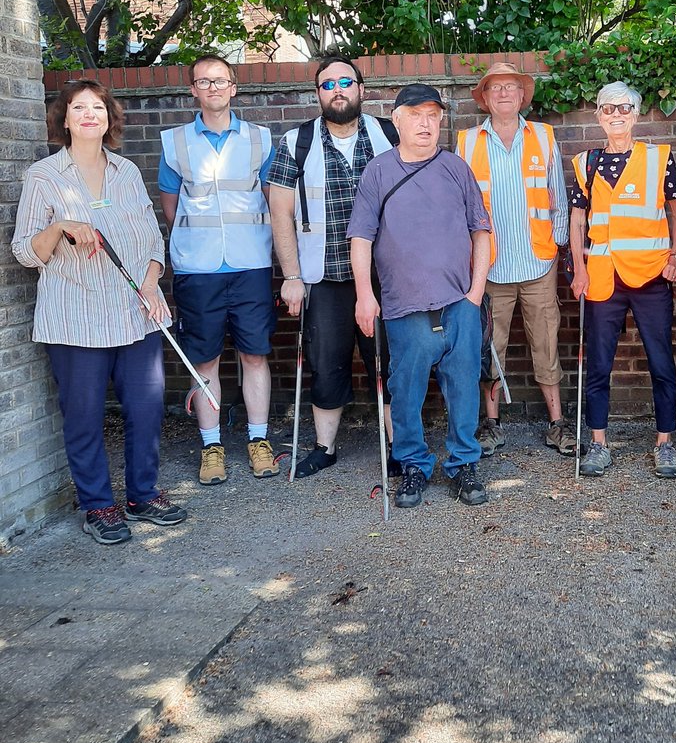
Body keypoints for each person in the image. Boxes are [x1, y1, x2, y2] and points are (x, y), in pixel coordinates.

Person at [13, 80, 186, 544]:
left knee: (147, 410)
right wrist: (61, 225)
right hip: (75, 318)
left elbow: (152, 237)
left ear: (109, 118)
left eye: (98, 107)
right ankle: (97, 506)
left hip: (137, 311)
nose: (90, 114)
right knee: (85, 416)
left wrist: (151, 284)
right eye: (79, 107)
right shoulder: (44, 176)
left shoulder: (127, 171)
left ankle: (142, 495)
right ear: (64, 118)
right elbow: (25, 252)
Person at [348, 84, 492, 508]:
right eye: (415, 114)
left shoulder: (456, 168)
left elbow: (480, 231)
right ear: (397, 121)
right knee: (405, 390)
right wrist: (363, 294)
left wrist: (475, 293)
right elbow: (361, 237)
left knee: (464, 386)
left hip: (458, 303)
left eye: (433, 115)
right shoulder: (378, 171)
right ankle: (412, 464)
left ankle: (464, 463)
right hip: (403, 305)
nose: (426, 123)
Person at [267, 54, 397, 477]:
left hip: (386, 274)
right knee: (325, 363)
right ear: (318, 94)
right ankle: (325, 447)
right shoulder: (295, 143)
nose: (337, 90)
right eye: (328, 84)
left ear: (361, 88)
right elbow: (280, 211)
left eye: (345, 81)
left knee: (391, 361)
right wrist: (291, 277)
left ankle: (399, 447)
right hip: (323, 275)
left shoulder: (389, 134)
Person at [159, 55, 277, 485]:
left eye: (220, 80)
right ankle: (211, 447)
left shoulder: (260, 139)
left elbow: (271, 199)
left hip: (251, 262)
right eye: (203, 81)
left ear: (234, 86)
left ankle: (259, 440)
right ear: (192, 89)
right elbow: (172, 208)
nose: (212, 88)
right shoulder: (174, 142)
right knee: (204, 360)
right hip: (198, 267)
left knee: (254, 355)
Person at [568, 81, 676, 479]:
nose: (616, 115)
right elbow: (578, 218)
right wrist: (579, 269)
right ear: (598, 116)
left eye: (624, 108)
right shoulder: (586, 162)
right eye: (608, 109)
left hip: (652, 275)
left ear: (636, 114)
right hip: (603, 277)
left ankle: (665, 443)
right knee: (598, 363)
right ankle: (598, 443)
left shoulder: (658, 158)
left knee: (660, 361)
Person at [456, 62, 570, 456]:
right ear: (485, 98)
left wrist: (556, 245)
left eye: (511, 87)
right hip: (489, 266)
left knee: (546, 342)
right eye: (495, 88)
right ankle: (491, 424)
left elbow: (559, 197)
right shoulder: (466, 142)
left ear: (523, 96)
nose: (504, 93)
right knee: (489, 346)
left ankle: (557, 424)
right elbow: (461, 207)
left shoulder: (543, 136)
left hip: (538, 261)